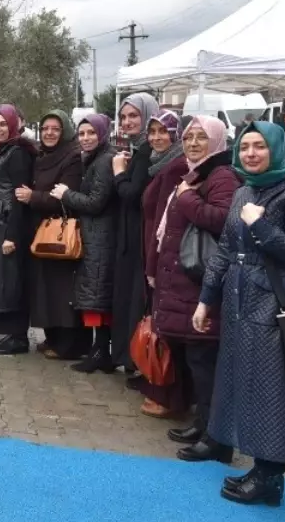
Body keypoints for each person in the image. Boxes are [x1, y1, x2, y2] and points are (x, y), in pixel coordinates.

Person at [194, 122, 285, 506]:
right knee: (245, 383)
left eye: (260, 146)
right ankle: (258, 467)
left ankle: (270, 476)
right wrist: (206, 297)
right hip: (240, 302)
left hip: (278, 304)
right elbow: (224, 249)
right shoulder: (244, 190)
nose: (251, 153)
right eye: (245, 147)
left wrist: (261, 224)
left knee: (275, 391)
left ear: (276, 148)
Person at [150, 116, 239, 463]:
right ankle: (203, 425)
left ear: (217, 141)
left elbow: (221, 219)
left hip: (203, 283)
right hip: (187, 282)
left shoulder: (221, 176)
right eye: (189, 138)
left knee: (206, 363)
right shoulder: (195, 173)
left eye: (202, 138)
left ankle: (217, 439)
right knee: (196, 359)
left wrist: (186, 199)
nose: (194, 144)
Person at [21, 110, 88, 360]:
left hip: (61, 232)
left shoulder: (72, 157)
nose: (49, 133)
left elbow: (65, 195)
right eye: (46, 128)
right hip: (41, 232)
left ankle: (69, 345)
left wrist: (33, 197)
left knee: (62, 291)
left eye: (55, 129)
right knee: (45, 288)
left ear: (65, 131)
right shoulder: (41, 154)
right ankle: (52, 338)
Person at [52, 113, 117, 373]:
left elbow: (96, 202)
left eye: (91, 133)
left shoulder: (103, 161)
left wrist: (66, 194)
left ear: (101, 134)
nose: (86, 138)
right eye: (82, 134)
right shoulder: (95, 158)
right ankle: (99, 350)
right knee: (94, 295)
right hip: (95, 236)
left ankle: (101, 351)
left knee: (97, 296)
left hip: (100, 238)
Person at [134, 109, 187, 414]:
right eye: (152, 132)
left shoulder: (173, 169)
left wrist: (153, 265)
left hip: (163, 257)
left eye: (162, 131)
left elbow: (165, 224)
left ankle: (167, 396)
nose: (156, 138)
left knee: (165, 329)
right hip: (155, 253)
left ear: (174, 134)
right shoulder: (160, 166)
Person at [111, 92, 160, 374]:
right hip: (133, 235)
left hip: (139, 237)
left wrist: (118, 173)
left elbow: (131, 194)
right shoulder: (139, 150)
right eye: (123, 117)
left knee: (135, 302)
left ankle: (136, 359)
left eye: (133, 116)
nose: (127, 122)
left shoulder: (144, 152)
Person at [0, 104, 38, 355]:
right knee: (4, 280)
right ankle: (10, 334)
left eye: (3, 124)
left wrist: (12, 235)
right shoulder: (0, 152)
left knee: (13, 281)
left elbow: (20, 196)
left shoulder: (17, 153)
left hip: (8, 226)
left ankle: (18, 337)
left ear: (14, 125)